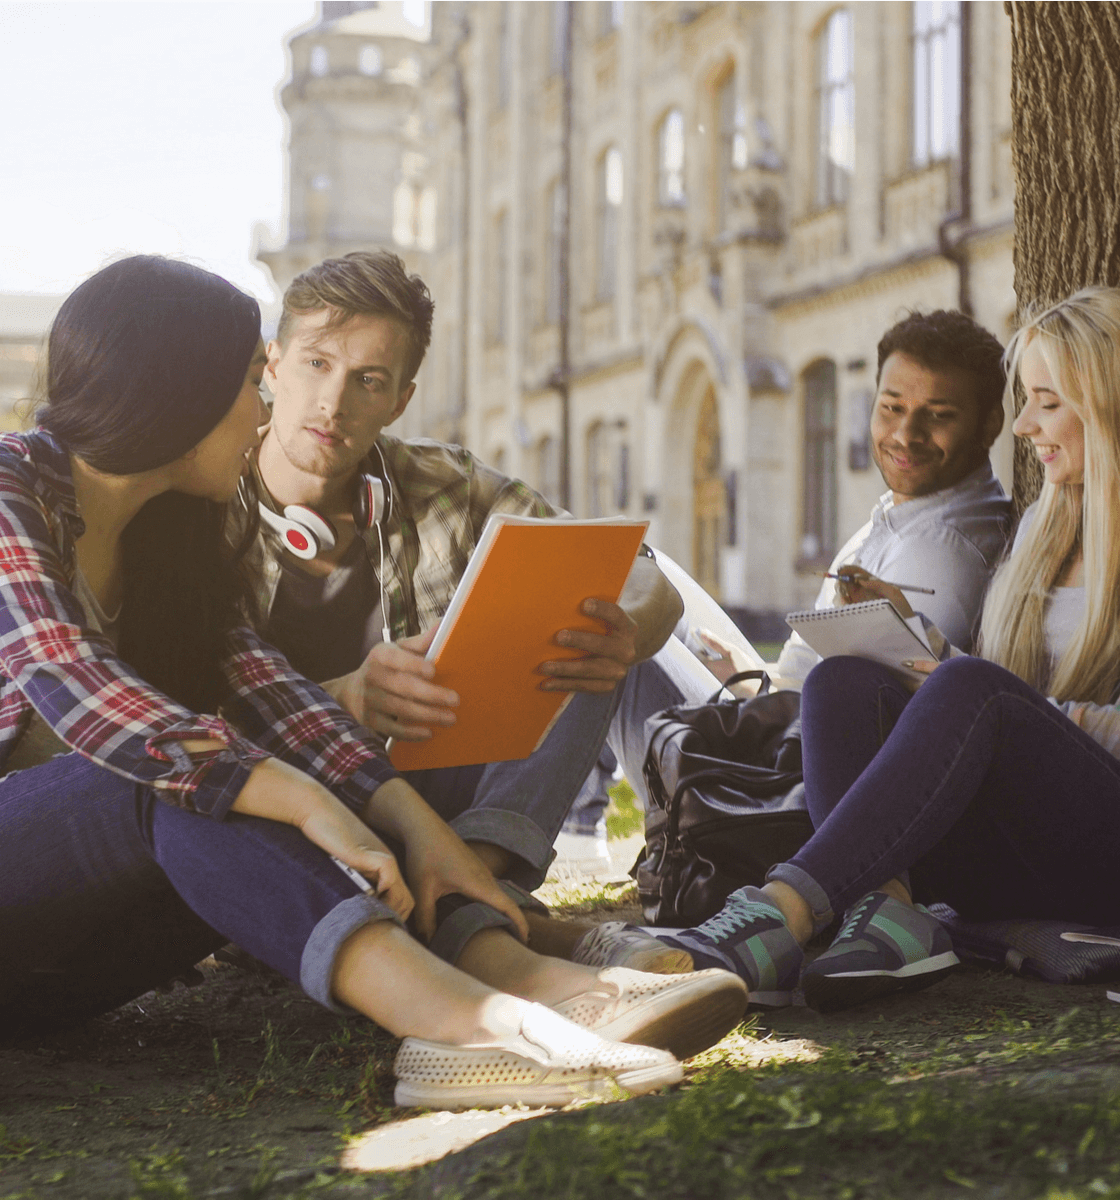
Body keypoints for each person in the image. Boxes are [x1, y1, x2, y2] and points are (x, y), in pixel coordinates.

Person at [0, 256, 747, 1109]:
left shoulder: (173, 538)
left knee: (256, 768)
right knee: (169, 776)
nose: (266, 408)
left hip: (64, 974)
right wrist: (301, 796)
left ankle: (505, 964)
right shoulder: (12, 484)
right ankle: (472, 1025)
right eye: (256, 379)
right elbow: (74, 681)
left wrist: (416, 829)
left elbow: (276, 701)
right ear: (176, 389)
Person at [658, 286, 1120, 1012]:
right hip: (1031, 844)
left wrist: (1011, 706)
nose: (1027, 425)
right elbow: (995, 698)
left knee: (973, 688)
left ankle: (780, 913)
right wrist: (920, 646)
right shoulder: (1048, 523)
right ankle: (885, 917)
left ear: (1113, 405)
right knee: (843, 681)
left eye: (1047, 401)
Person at [689, 309, 1013, 698]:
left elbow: (857, 725)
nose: (906, 435)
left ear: (991, 424)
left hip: (776, 749)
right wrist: (753, 675)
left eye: (939, 415)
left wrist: (753, 692)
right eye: (892, 408)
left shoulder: (940, 552)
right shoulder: (908, 514)